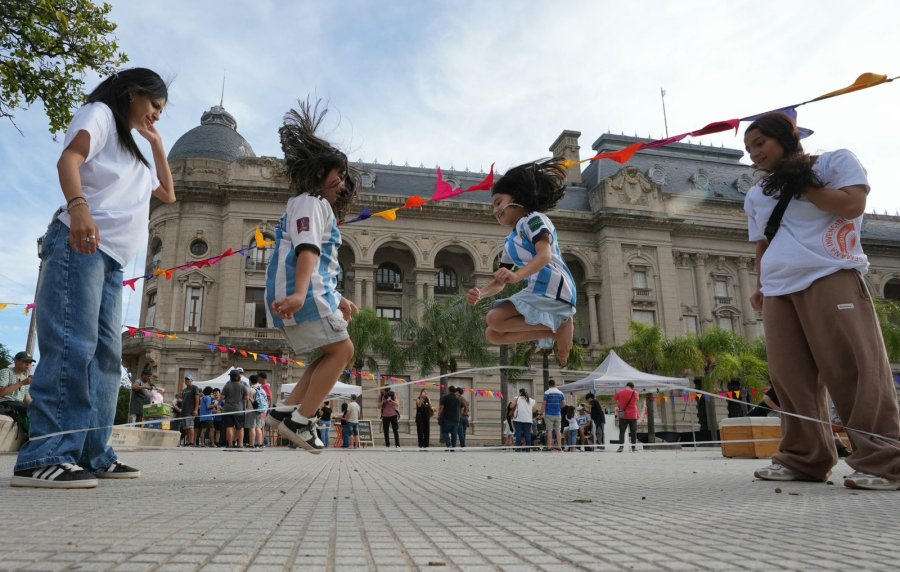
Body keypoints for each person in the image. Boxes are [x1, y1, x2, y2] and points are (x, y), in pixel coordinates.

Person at [11, 68, 173, 488]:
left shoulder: (135, 144)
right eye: (154, 105)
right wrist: (79, 206)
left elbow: (168, 195)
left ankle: (93, 452)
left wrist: (155, 142)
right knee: (71, 345)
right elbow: (70, 159)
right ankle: (44, 454)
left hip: (113, 259)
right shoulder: (100, 114)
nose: (157, 114)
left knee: (106, 358)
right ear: (132, 93)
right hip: (80, 243)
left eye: (162, 110)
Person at [743, 112, 900, 490]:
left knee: (853, 369)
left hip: (831, 274)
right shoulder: (756, 193)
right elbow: (765, 241)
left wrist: (801, 183)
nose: (754, 154)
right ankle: (804, 458)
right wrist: (762, 284)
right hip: (780, 288)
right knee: (790, 378)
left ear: (786, 136)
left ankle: (885, 461)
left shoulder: (834, 162)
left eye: (760, 143)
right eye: (749, 149)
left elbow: (851, 206)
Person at [263, 99, 360, 453]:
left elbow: (318, 261)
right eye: (339, 175)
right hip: (303, 293)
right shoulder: (311, 203)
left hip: (313, 292)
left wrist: (339, 298)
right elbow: (308, 251)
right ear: (321, 172)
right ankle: (301, 421)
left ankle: (283, 411)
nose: (343, 184)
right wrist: (303, 294)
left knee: (327, 354)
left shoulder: (307, 205)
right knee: (343, 350)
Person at [466, 158, 576, 366]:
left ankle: (560, 326)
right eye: (493, 206)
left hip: (555, 287)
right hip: (536, 289)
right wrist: (481, 293)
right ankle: (555, 331)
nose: (495, 210)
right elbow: (500, 282)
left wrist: (517, 275)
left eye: (498, 202)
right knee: (493, 335)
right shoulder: (510, 242)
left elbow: (544, 256)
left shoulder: (534, 219)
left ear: (517, 196)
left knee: (494, 319)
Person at [0, 351, 35, 435]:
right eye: (25, 361)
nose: (28, 364)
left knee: (37, 410)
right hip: (5, 403)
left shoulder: (24, 378)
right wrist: (22, 383)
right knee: (30, 411)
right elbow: (1, 392)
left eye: (30, 362)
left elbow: (26, 398)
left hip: (18, 405)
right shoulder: (6, 372)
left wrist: (37, 406)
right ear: (16, 361)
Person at [222, 369, 247, 448]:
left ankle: (230, 444)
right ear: (239, 377)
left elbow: (221, 397)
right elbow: (246, 398)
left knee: (229, 427)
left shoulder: (227, 385)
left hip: (228, 410)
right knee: (240, 428)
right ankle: (240, 444)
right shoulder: (242, 386)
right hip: (239, 410)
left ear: (231, 377)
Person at [614, 382, 639, 453]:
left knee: (622, 432)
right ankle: (633, 448)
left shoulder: (620, 392)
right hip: (633, 415)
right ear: (632, 387)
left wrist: (621, 403)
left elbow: (615, 399)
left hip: (623, 415)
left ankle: (621, 447)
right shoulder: (635, 393)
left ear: (626, 386)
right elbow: (636, 401)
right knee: (633, 432)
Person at [542, 380, 566, 451]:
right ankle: (559, 446)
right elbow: (564, 404)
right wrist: (559, 407)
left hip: (549, 414)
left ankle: (549, 447)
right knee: (558, 431)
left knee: (549, 431)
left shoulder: (547, 392)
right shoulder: (560, 393)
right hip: (558, 414)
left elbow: (544, 404)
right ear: (555, 384)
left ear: (549, 385)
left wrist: (541, 413)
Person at [512, 388, 536, 452]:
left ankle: (518, 448)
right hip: (528, 419)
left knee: (518, 433)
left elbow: (511, 406)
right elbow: (533, 410)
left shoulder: (517, 398)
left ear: (520, 393)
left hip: (518, 418)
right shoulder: (531, 400)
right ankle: (528, 449)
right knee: (527, 434)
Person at [438, 385, 462, 450]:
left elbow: (442, 407)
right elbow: (461, 408)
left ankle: (449, 444)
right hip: (455, 419)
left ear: (448, 390)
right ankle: (453, 447)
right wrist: (459, 416)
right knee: (454, 434)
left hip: (447, 418)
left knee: (445, 432)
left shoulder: (445, 397)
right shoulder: (458, 398)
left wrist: (439, 415)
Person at [181, 375, 199, 447]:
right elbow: (183, 400)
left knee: (190, 426)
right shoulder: (184, 390)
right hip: (184, 411)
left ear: (191, 380)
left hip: (191, 411)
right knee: (186, 428)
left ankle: (191, 442)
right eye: (185, 380)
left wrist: (196, 410)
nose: (186, 381)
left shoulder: (194, 388)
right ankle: (188, 442)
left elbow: (197, 399)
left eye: (188, 379)